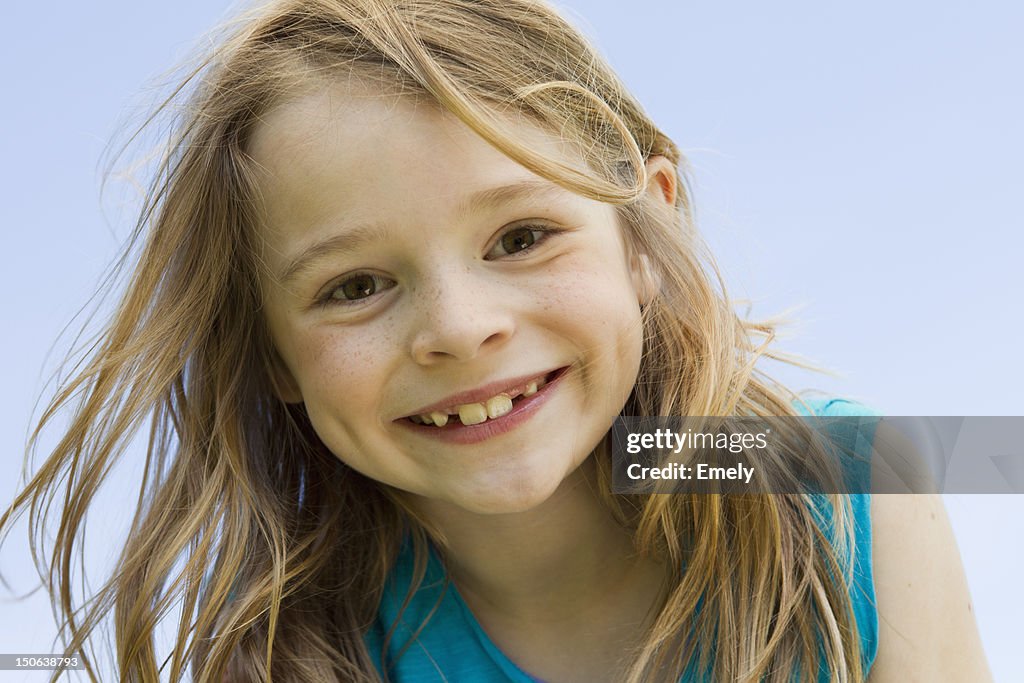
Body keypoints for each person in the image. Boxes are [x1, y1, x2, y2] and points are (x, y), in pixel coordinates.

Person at [0, 1, 990, 681]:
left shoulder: (850, 476)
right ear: (267, 353)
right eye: (354, 285)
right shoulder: (299, 643)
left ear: (644, 234)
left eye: (521, 238)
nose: (461, 329)